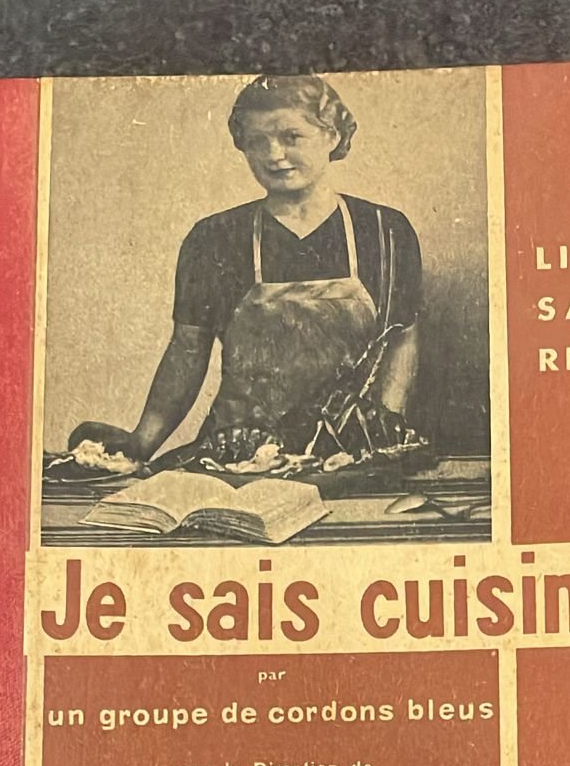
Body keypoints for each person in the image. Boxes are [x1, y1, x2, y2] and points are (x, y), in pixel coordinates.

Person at [70, 73, 423, 469]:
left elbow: (402, 339)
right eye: (257, 141)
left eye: (291, 136)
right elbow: (187, 350)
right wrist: (140, 443)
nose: (274, 155)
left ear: (332, 136)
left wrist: (385, 433)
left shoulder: (384, 231)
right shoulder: (214, 238)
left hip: (344, 456)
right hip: (238, 457)